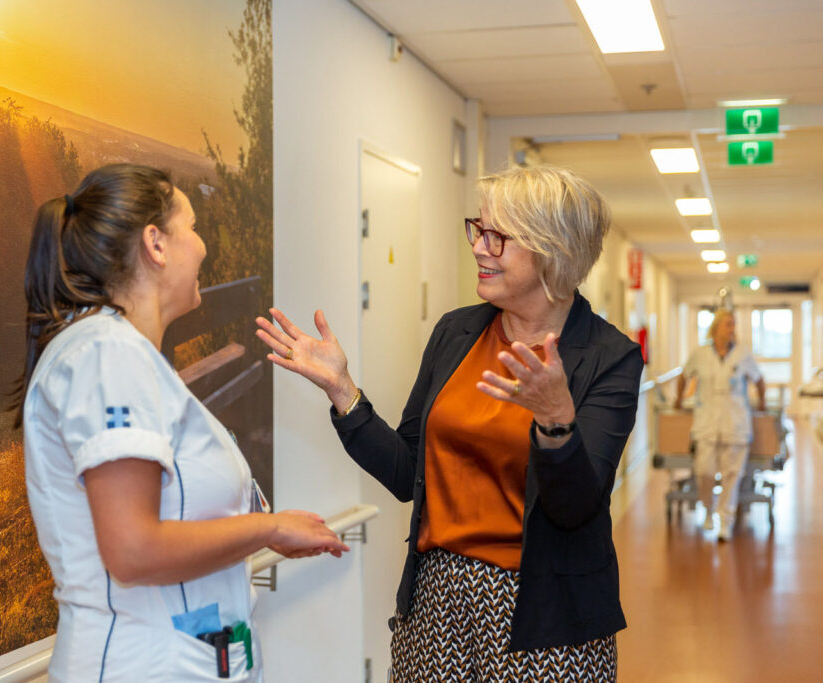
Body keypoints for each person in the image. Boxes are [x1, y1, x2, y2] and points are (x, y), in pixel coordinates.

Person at [256, 165, 644, 681]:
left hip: (545, 615)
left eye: (497, 236)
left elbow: (575, 509)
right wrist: (342, 390)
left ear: (552, 248)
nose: (480, 248)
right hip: (437, 604)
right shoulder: (456, 332)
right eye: (477, 230)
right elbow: (405, 473)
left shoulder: (609, 358)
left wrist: (555, 419)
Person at [11, 164, 348, 682]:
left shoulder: (127, 356)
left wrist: (254, 528)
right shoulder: (107, 354)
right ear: (156, 244)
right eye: (191, 226)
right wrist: (268, 526)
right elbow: (133, 549)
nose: (203, 246)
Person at [674, 308, 766, 541]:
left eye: (734, 324)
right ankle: (708, 510)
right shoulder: (700, 353)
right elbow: (684, 375)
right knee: (704, 471)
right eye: (728, 324)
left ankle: (726, 521)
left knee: (732, 475)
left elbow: (759, 379)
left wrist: (763, 403)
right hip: (706, 423)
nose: (732, 328)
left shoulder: (743, 354)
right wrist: (679, 398)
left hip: (736, 424)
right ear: (716, 328)